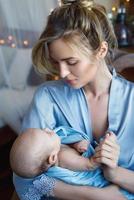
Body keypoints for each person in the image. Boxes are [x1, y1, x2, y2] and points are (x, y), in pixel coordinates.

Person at [12, 0, 134, 199]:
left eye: (71, 62)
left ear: (101, 51)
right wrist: (92, 196)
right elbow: (24, 177)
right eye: (56, 62)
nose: (62, 72)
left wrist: (116, 174)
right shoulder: (48, 97)